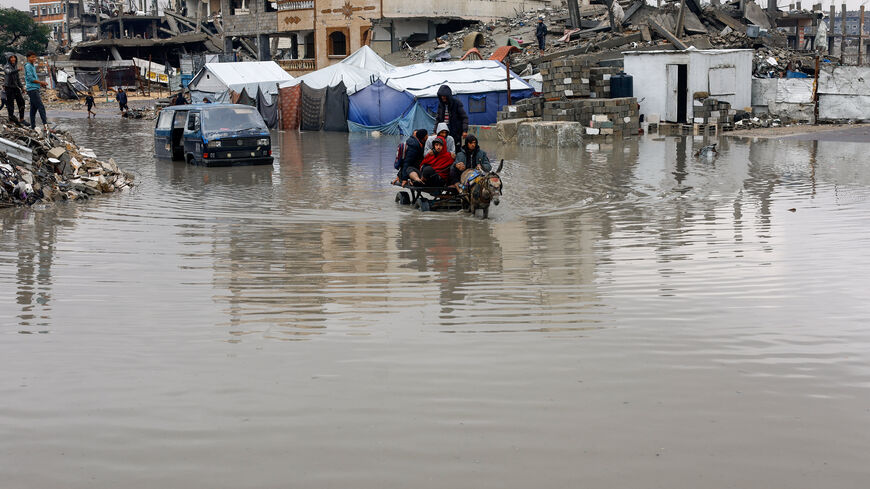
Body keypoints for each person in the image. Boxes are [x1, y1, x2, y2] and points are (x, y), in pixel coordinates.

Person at [25, 52, 48, 130]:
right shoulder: (28, 66)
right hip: (32, 89)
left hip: (34, 88)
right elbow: (30, 78)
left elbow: (34, 78)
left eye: (35, 57)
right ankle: (45, 125)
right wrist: (41, 82)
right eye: (32, 57)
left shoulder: (32, 66)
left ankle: (33, 126)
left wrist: (40, 84)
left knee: (33, 108)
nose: (34, 59)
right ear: (28, 58)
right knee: (41, 107)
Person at [3, 55, 26, 124]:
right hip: (9, 87)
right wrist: (17, 70)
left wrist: (22, 87)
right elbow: (9, 72)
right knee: (10, 104)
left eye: (14, 57)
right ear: (8, 59)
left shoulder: (15, 66)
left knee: (21, 102)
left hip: (15, 87)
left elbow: (18, 79)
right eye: (11, 58)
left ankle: (21, 119)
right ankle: (11, 120)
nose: (13, 59)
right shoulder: (6, 66)